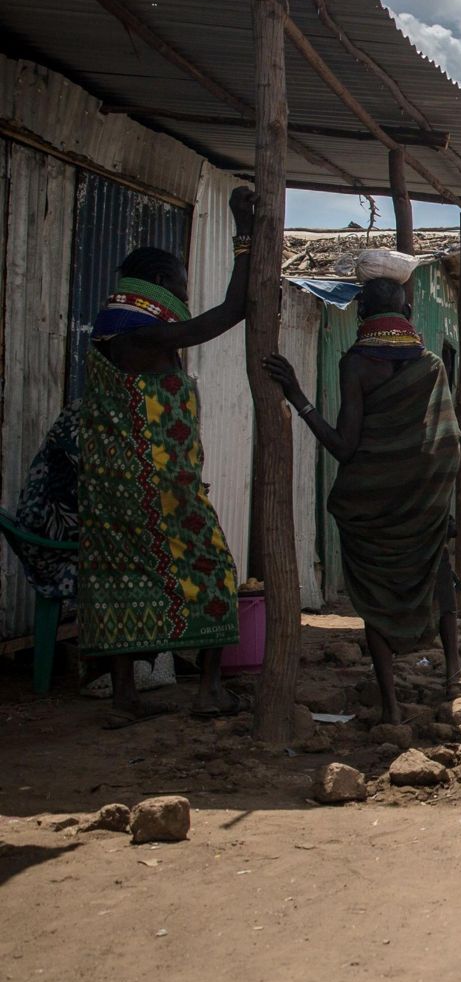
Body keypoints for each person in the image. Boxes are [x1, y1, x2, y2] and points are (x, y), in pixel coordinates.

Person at [79, 187, 256, 725]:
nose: (184, 290)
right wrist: (243, 235)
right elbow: (229, 312)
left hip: (107, 489)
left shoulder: (110, 336)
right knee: (216, 572)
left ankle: (124, 697)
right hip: (158, 486)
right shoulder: (146, 337)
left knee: (118, 580)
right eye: (179, 282)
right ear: (158, 286)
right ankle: (208, 690)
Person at [265, 275, 461, 722]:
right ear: (408, 315)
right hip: (420, 505)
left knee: (373, 595)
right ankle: (455, 675)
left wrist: (298, 397)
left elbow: (344, 448)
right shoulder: (432, 365)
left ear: (360, 314)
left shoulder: (355, 364)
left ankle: (391, 707)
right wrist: (433, 496)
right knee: (438, 574)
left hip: (369, 509)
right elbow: (448, 441)